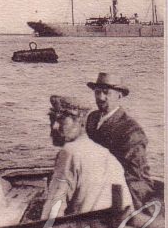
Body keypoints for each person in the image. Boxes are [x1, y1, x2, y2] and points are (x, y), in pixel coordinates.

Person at [41, 95, 131, 220]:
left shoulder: (69, 152)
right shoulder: (107, 156)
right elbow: (127, 209)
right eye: (52, 119)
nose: (54, 126)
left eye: (61, 120)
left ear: (81, 122)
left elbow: (52, 213)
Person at [85, 72, 162, 211]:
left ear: (119, 95)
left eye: (106, 92)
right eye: (97, 92)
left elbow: (134, 175)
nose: (100, 97)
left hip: (128, 187)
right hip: (97, 182)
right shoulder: (92, 118)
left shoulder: (131, 130)